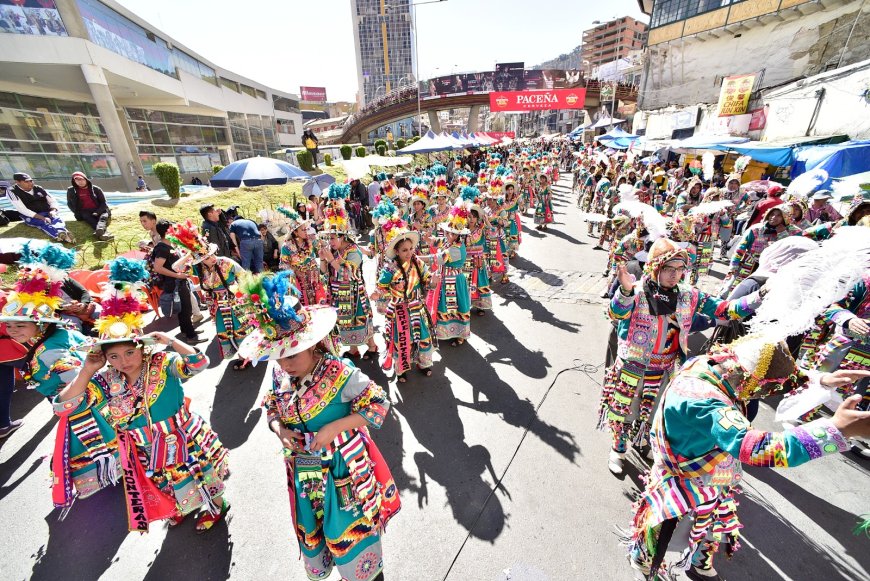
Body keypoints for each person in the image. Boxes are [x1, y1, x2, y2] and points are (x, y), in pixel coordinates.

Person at [626, 336, 870, 580]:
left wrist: (821, 379)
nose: (764, 394)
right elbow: (757, 448)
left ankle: (699, 559)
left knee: (714, 522)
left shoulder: (713, 364)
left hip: (715, 473)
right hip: (684, 480)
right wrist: (836, 430)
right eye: (762, 389)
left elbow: (780, 378)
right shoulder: (705, 400)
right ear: (746, 377)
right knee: (661, 527)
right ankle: (643, 563)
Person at [235, 273, 398, 581]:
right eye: (279, 356)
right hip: (306, 465)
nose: (285, 364)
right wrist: (279, 430)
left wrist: (336, 427)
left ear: (312, 346)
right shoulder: (279, 376)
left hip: (343, 468)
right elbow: (270, 407)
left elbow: (379, 404)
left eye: (292, 354)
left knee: (349, 529)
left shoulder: (340, 372)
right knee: (317, 522)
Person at [55, 257, 229, 533]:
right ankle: (179, 507)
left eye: (129, 352)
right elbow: (64, 407)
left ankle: (218, 506)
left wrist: (171, 341)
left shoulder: (163, 364)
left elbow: (199, 363)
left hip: (182, 436)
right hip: (144, 447)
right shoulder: (106, 380)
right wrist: (87, 370)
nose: (123, 361)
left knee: (200, 474)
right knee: (163, 481)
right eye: (113, 356)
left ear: (142, 348)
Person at [600, 238, 764, 474]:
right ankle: (618, 449)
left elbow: (725, 309)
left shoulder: (688, 295)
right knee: (624, 409)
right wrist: (624, 290)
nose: (674, 275)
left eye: (679, 269)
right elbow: (615, 313)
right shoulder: (636, 291)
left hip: (665, 368)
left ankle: (645, 441)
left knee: (656, 412)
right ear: (655, 267)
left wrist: (759, 296)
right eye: (668, 269)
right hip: (631, 367)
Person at [0, 243, 119, 512]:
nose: (13, 330)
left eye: (21, 324)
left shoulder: (50, 351)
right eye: (9, 324)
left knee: (91, 449)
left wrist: (63, 403)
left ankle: (105, 482)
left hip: (83, 411)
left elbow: (78, 381)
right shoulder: (55, 337)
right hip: (89, 405)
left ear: (40, 324)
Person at [166, 221, 249, 365]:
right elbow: (175, 267)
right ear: (201, 261)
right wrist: (190, 255)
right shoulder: (199, 269)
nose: (212, 258)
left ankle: (246, 355)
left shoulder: (226, 262)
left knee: (239, 326)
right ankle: (235, 353)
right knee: (223, 329)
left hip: (233, 300)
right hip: (216, 305)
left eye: (211, 254)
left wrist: (244, 292)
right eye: (207, 258)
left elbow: (244, 276)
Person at [373, 220, 436, 382]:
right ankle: (401, 369)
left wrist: (433, 281)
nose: (409, 253)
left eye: (410, 249)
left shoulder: (418, 263)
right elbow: (381, 288)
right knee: (403, 340)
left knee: (422, 336)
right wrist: (388, 289)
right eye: (404, 250)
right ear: (397, 251)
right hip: (399, 310)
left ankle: (423, 363)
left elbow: (427, 280)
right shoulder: (389, 269)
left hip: (417, 307)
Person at [318, 195, 378, 358]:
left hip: (354, 293)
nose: (330, 241)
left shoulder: (354, 251)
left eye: (332, 237)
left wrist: (331, 259)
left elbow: (348, 274)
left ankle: (372, 346)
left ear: (342, 236)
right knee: (345, 323)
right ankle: (353, 349)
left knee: (360, 319)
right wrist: (323, 259)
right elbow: (324, 272)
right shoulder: (334, 251)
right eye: (328, 238)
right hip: (338, 293)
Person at [719, 206, 800, 298]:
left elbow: (788, 250)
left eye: (778, 215)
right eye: (772, 214)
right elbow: (740, 248)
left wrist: (782, 234)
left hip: (770, 270)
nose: (773, 217)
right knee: (733, 291)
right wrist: (734, 265)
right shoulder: (756, 229)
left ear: (785, 218)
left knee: (756, 296)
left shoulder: (791, 233)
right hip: (748, 265)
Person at [150, 219, 203, 343]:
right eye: (174, 229)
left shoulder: (169, 245)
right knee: (186, 309)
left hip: (178, 282)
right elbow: (158, 267)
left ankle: (186, 330)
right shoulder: (163, 248)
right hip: (174, 284)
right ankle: (191, 336)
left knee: (184, 309)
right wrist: (177, 275)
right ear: (168, 231)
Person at [433, 202, 471, 346]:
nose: (449, 234)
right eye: (448, 232)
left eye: (452, 233)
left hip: (454, 280)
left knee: (458, 305)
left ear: (458, 235)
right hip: (446, 278)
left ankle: (460, 334)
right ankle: (447, 331)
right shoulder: (450, 244)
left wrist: (416, 259)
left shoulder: (456, 248)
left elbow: (439, 259)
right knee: (447, 306)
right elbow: (438, 243)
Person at [278, 207, 327, 306]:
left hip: (314, 278)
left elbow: (324, 246)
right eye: (303, 229)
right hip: (299, 281)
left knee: (318, 303)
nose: (306, 231)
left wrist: (320, 241)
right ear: (295, 232)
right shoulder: (287, 247)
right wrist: (294, 271)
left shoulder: (311, 240)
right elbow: (283, 266)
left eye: (306, 229)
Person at [7, 172, 74, 243]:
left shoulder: (38, 188)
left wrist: (53, 210)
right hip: (31, 215)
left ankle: (63, 233)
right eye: (26, 181)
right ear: (17, 182)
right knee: (43, 223)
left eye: (31, 180)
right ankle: (58, 235)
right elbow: (22, 209)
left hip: (47, 211)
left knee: (56, 219)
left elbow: (52, 201)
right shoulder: (12, 191)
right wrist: (42, 217)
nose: (30, 183)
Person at [66, 172, 112, 241]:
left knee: (103, 217)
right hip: (85, 211)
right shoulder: (71, 191)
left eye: (81, 179)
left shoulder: (96, 189)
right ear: (74, 181)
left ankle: (99, 231)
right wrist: (76, 212)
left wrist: (97, 212)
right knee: (90, 219)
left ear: (86, 179)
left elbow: (103, 203)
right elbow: (69, 203)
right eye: (77, 180)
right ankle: (103, 234)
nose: (80, 182)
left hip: (99, 209)